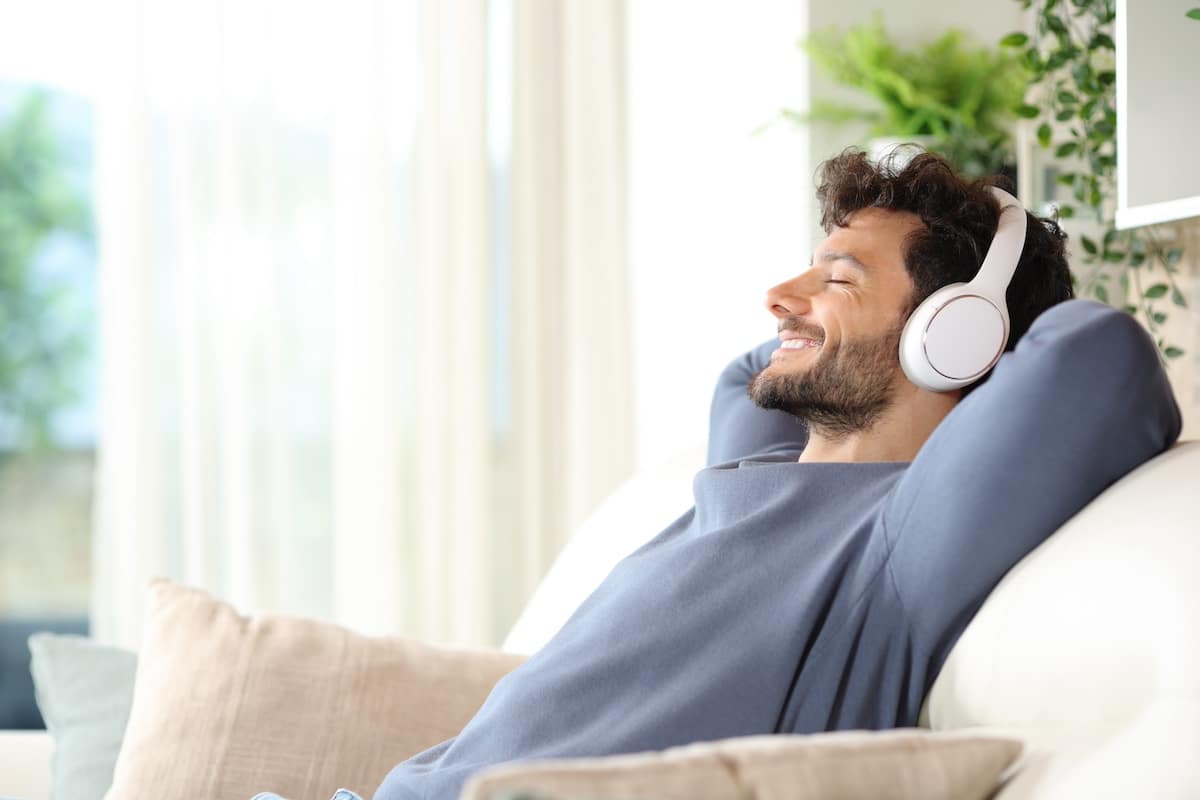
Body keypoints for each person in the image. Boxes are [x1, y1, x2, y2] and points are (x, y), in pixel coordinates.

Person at [265, 149, 1183, 800]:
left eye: (838, 278)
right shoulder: (747, 464)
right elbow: (747, 374)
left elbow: (1096, 359)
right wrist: (836, 304)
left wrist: (985, 297)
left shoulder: (902, 541)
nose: (780, 297)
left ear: (955, 335)